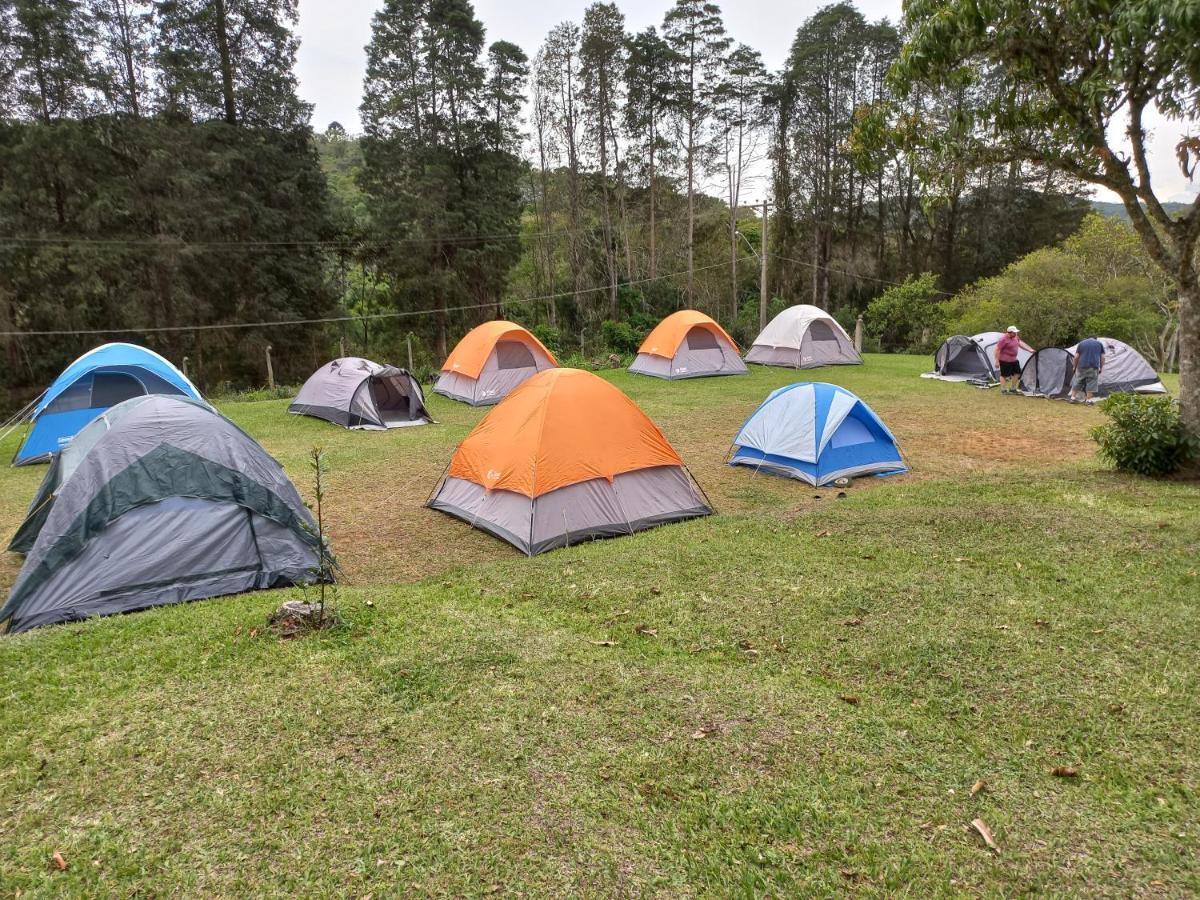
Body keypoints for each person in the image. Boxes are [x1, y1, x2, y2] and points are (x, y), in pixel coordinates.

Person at [1070, 336, 1106, 404]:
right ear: (1095, 339)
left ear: (1087, 338)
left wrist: (1074, 367)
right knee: (1091, 383)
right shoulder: (1099, 344)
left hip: (1081, 366)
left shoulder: (1082, 343)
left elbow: (1076, 357)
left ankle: (1072, 398)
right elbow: (1103, 357)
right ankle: (1088, 400)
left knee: (1078, 381)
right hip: (1093, 367)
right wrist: (1101, 368)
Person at [995, 325, 1023, 394]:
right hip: (1005, 360)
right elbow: (997, 350)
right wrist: (997, 361)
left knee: (1017, 373)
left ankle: (1013, 389)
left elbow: (1020, 344)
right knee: (1004, 375)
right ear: (1009, 332)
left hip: (1014, 360)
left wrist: (1030, 350)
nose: (1016, 333)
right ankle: (1003, 390)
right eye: (1014, 332)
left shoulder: (1015, 337)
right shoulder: (1003, 339)